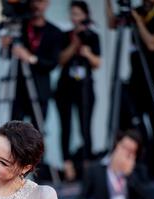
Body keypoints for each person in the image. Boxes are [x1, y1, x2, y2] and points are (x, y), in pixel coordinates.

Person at [106, 0, 154, 179]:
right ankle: (139, 164)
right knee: (135, 122)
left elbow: (153, 44)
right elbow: (112, 24)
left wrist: (138, 20)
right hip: (137, 80)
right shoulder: (135, 11)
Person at [55, 1, 101, 182]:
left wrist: (87, 53)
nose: (76, 18)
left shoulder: (93, 35)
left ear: (86, 15)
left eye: (79, 14)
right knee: (65, 127)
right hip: (65, 88)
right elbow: (60, 60)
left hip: (85, 88)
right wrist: (74, 45)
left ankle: (87, 165)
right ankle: (68, 167)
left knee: (85, 127)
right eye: (73, 14)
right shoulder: (65, 35)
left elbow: (97, 63)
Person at [0, 0, 62, 130]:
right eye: (34, 1)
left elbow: (52, 63)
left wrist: (31, 58)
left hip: (40, 92)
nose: (36, 6)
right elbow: (3, 55)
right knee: (14, 134)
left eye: (40, 2)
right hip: (18, 91)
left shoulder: (54, 32)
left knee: (37, 135)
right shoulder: (20, 28)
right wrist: (5, 45)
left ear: (47, 4)